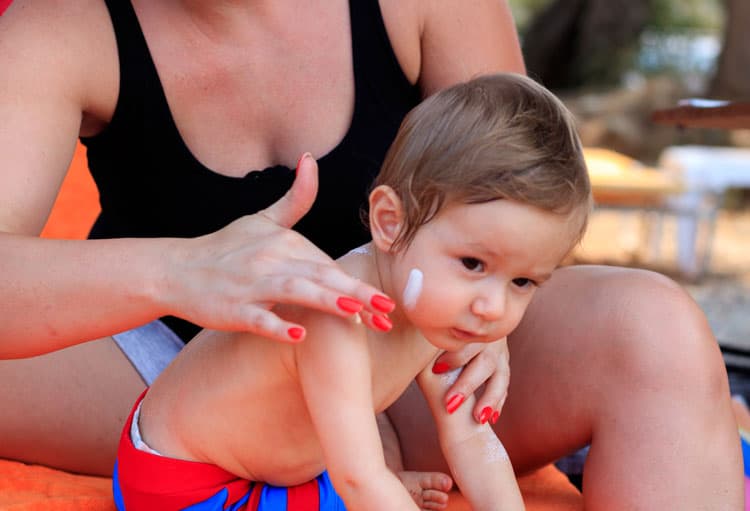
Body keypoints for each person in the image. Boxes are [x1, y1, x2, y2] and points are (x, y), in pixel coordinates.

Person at [0, 0, 742, 509]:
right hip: (178, 373)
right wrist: (177, 270)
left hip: (407, 355)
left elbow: (535, 205)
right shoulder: (64, 24)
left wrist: (503, 321)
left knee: (654, 327)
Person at [114, 72, 590, 511]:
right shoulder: (335, 315)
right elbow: (359, 479)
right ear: (391, 223)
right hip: (186, 481)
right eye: (473, 263)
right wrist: (372, 486)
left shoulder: (446, 312)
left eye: (522, 282)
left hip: (282, 471)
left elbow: (472, 442)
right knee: (364, 484)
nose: (492, 307)